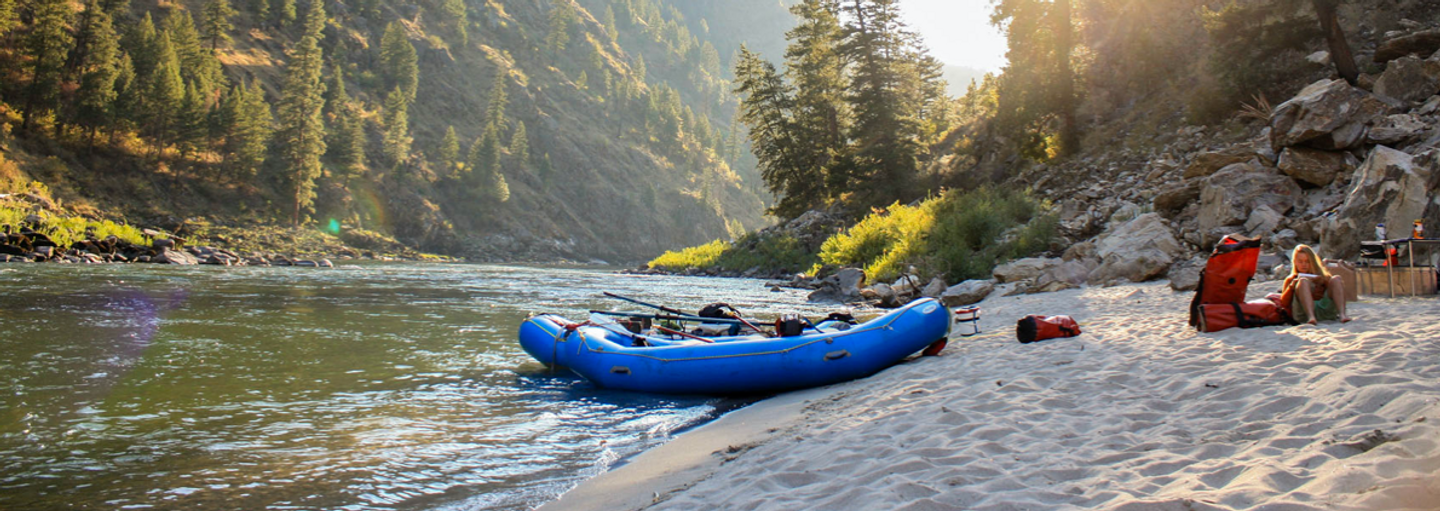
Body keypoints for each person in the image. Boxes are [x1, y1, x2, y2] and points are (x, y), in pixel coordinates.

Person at [1281, 245, 1353, 325]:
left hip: (1324, 310)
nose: (1304, 264)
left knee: (1336, 279)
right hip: (1303, 313)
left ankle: (1342, 314)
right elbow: (1284, 303)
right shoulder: (1291, 278)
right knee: (1303, 281)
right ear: (1295, 262)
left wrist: (1323, 282)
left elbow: (1334, 290)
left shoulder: (1320, 275)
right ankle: (1311, 317)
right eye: (1300, 262)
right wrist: (1292, 286)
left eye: (1307, 261)